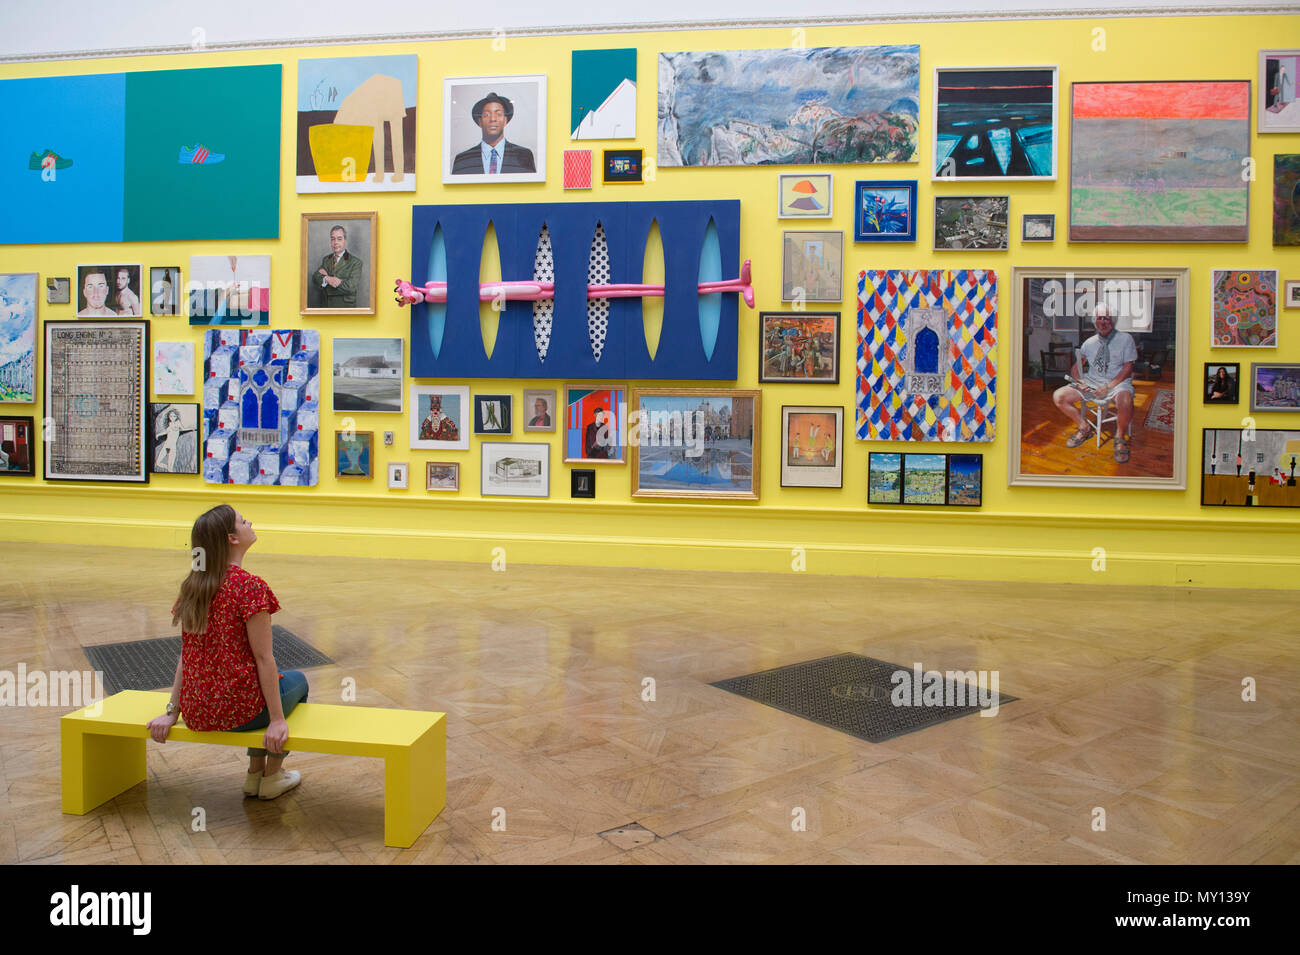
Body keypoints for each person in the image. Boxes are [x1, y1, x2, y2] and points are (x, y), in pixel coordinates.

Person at [146, 505, 309, 801]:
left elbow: (187, 655)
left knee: (269, 681)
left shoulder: (193, 587)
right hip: (242, 712)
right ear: (232, 538)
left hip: (199, 710)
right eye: (243, 521)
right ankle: (271, 774)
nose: (250, 522)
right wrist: (276, 720)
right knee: (299, 681)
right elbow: (264, 659)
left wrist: (173, 712)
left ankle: (253, 776)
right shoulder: (249, 587)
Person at [1052, 302, 1137, 464]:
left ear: (1113, 320)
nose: (1103, 322)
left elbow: (1128, 368)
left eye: (1107, 318)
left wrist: (1108, 387)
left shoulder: (1125, 339)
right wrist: (1080, 380)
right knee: (1059, 396)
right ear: (1094, 321)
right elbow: (1077, 366)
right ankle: (1084, 428)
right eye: (1099, 318)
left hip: (1116, 383)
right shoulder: (1089, 343)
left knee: (1126, 400)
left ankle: (1119, 437)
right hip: (1092, 381)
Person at [451, 93, 536, 175]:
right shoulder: (462, 160)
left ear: (505, 120)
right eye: (487, 115)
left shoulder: (524, 156)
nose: (493, 119)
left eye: (498, 114)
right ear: (479, 121)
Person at [315, 225, 363, 309]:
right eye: (333, 239)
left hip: (345, 308)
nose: (335, 242)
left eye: (339, 239)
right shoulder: (326, 259)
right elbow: (315, 277)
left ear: (345, 241)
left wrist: (326, 279)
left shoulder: (356, 262)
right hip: (325, 307)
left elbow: (351, 287)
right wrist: (328, 279)